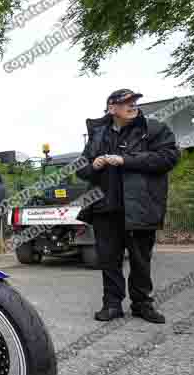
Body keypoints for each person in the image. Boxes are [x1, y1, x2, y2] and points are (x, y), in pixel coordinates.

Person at [76, 89, 180, 323]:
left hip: (141, 208)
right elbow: (81, 168)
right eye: (126, 103)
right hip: (105, 208)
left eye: (134, 101)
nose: (132, 105)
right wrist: (94, 164)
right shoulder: (98, 134)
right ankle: (112, 305)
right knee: (109, 260)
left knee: (140, 260)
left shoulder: (153, 129)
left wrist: (126, 160)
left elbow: (169, 157)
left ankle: (142, 304)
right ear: (112, 108)